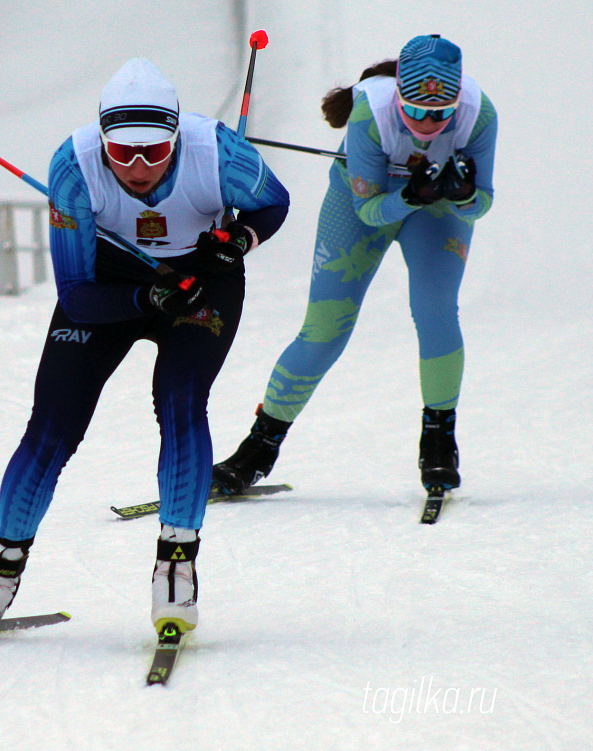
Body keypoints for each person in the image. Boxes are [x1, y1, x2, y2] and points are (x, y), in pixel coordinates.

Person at [0, 58, 289, 637]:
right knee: (54, 420)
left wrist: (236, 242)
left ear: (177, 137)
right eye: (122, 153)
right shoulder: (74, 168)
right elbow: (76, 296)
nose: (138, 168)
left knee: (179, 401)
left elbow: (273, 203)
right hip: (110, 286)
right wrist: (147, 299)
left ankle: (176, 567)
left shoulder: (217, 151)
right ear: (102, 141)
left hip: (204, 280)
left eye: (154, 152)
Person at [213, 34, 497, 496]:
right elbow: (369, 211)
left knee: (436, 311)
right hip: (362, 201)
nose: (428, 124)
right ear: (398, 95)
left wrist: (461, 194)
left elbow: (481, 205)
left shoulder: (479, 113)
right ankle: (258, 449)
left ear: (456, 102)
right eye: (416, 111)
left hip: (436, 211)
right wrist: (408, 195)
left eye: (440, 114)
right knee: (324, 330)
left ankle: (439, 441)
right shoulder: (373, 111)